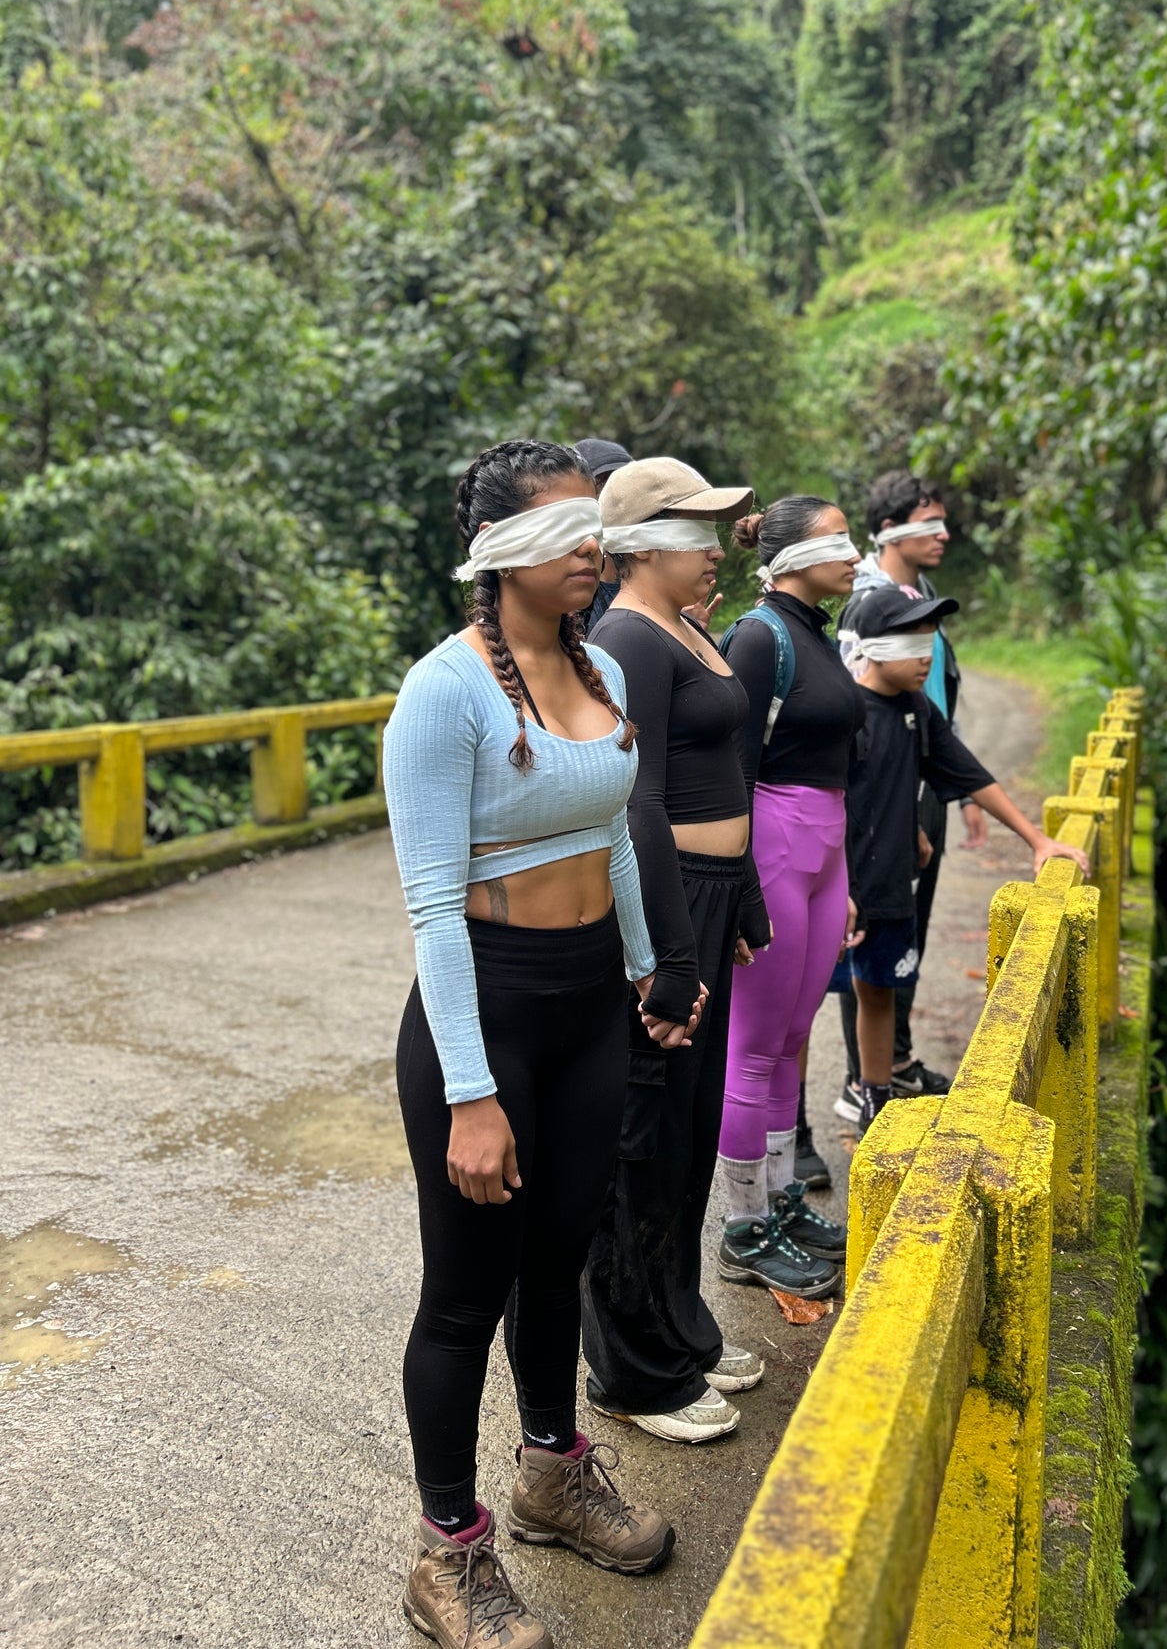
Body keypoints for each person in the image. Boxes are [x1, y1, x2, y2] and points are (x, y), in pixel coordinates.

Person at [384, 440, 692, 1649]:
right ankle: (447, 1554)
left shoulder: (603, 664)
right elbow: (429, 906)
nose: (594, 552)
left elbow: (609, 827)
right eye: (569, 534)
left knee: (561, 1253)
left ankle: (551, 1473)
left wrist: (640, 974)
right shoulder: (443, 691)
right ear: (497, 554)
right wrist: (470, 1091)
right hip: (488, 1012)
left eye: (598, 532)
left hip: (584, 1008)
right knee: (464, 1294)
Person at [581, 457, 775, 1444]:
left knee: (687, 1139)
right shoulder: (625, 638)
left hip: (705, 895)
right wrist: (667, 948)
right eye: (697, 532)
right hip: (662, 906)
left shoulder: (686, 625)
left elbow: (722, 775)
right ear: (644, 546)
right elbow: (636, 798)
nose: (713, 549)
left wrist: (739, 900)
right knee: (642, 1144)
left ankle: (680, 1327)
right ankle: (630, 1368)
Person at [843, 586, 1091, 1133]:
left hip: (891, 884)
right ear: (877, 648)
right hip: (840, 889)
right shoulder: (846, 712)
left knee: (881, 990)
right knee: (806, 1003)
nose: (927, 655)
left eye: (930, 641)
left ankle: (875, 1101)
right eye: (913, 642)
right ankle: (781, 1133)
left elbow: (972, 776)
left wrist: (1038, 841)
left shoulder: (916, 710)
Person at [715, 496, 868, 1296]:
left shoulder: (815, 633)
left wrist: (838, 883)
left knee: (794, 1032)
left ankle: (778, 1200)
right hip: (773, 839)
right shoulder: (757, 636)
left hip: (823, 849)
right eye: (835, 540)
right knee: (754, 1039)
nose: (853, 552)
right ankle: (742, 1227)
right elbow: (732, 768)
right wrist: (741, 890)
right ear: (784, 557)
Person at [828, 470, 985, 1129]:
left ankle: (891, 1062)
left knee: (900, 928)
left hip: (923, 774)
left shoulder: (917, 593)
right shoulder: (866, 599)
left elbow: (934, 699)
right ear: (888, 529)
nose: (943, 534)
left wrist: (954, 789)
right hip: (885, 782)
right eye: (928, 523)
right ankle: (861, 1077)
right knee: (866, 924)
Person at [573, 437, 632, 636]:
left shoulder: (650, 574)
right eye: (603, 487)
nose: (617, 499)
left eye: (626, 487)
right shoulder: (573, 581)